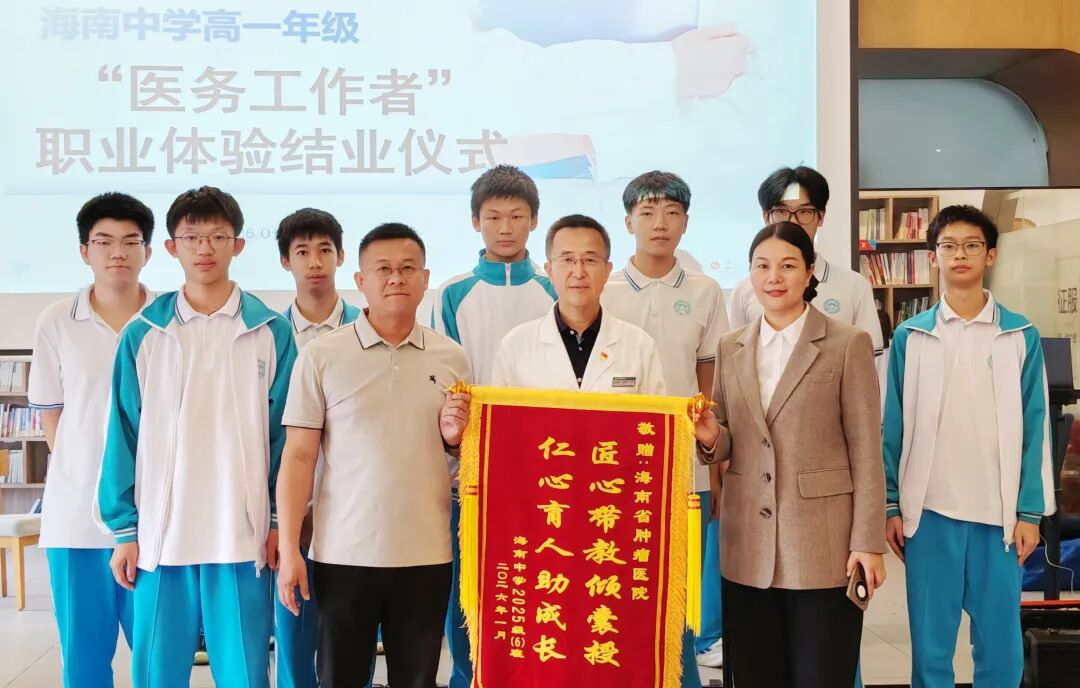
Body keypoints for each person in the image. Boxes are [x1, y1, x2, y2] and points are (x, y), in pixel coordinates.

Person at [492, 214, 716, 687]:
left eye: (590, 260)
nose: (579, 272)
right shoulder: (517, 346)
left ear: (607, 269)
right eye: (567, 260)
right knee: (551, 637)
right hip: (544, 521)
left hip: (613, 520)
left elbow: (657, 442)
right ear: (548, 269)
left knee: (612, 635)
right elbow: (504, 446)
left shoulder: (637, 345)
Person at [97, 186, 297, 688]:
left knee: (245, 674)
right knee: (155, 674)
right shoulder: (144, 332)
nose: (204, 248)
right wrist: (124, 531)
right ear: (170, 247)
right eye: (191, 237)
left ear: (238, 244)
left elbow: (286, 439)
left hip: (242, 535)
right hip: (162, 538)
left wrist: (278, 521)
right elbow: (123, 435)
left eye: (217, 236)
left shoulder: (271, 330)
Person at [277, 223, 472, 688]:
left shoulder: (453, 358)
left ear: (425, 278)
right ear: (361, 281)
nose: (396, 278)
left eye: (408, 268)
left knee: (418, 679)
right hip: (343, 554)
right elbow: (299, 457)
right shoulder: (322, 355)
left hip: (426, 554)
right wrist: (288, 550)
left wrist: (454, 440)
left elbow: (463, 457)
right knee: (340, 678)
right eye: (383, 269)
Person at [699, 222, 886, 687]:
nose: (773, 277)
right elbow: (730, 438)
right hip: (747, 546)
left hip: (822, 545)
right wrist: (710, 435)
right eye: (762, 266)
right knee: (756, 675)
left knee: (821, 675)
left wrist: (867, 541)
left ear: (809, 272)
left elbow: (866, 448)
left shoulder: (847, 343)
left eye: (787, 266)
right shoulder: (731, 346)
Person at [882, 205, 1053, 687]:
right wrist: (891, 504)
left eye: (972, 245)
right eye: (949, 246)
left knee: (1001, 651)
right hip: (928, 512)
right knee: (931, 651)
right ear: (933, 256)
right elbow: (892, 426)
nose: (960, 254)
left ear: (990, 255)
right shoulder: (911, 335)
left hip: (998, 517)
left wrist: (1030, 512)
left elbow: (1036, 426)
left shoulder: (1019, 334)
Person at [431, 164, 556, 688]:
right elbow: (446, 385)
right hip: (473, 470)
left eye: (517, 216)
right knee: (471, 588)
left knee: (538, 581)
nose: (505, 228)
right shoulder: (453, 294)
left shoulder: (554, 288)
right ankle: (467, 677)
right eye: (494, 217)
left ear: (534, 220)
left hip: (544, 469)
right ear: (475, 221)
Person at [601, 171, 729, 670]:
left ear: (686, 222)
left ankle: (681, 674)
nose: (660, 223)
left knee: (681, 590)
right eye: (648, 212)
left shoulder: (705, 290)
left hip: (685, 464)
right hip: (616, 465)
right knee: (620, 584)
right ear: (628, 221)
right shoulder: (605, 288)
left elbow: (708, 373)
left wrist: (711, 461)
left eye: (672, 213)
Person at [28, 193, 155, 688]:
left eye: (129, 241)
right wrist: (87, 475)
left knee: (156, 658)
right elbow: (52, 415)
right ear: (85, 251)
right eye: (103, 242)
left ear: (148, 250)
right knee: (83, 660)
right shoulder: (57, 320)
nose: (117, 252)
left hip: (156, 520)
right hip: (77, 521)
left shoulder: (168, 318)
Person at [274, 208, 363, 688]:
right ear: (285, 261)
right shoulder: (268, 334)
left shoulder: (367, 329)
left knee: (350, 646)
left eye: (325, 250)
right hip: (288, 510)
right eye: (302, 251)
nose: (315, 262)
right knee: (293, 639)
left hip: (353, 511)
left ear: (341, 257)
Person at [728, 166, 883, 356]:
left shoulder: (854, 286)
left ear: (821, 217)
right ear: (766, 217)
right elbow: (734, 359)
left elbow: (868, 362)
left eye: (804, 211)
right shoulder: (745, 291)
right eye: (781, 211)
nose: (792, 221)